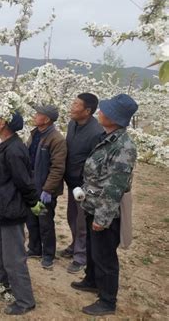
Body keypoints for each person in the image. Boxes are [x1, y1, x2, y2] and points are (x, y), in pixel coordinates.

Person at [71, 94, 138, 316]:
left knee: (105, 256)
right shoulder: (106, 138)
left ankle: (107, 300)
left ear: (114, 117)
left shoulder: (123, 147)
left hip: (106, 210)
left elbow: (114, 187)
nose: (100, 112)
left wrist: (102, 218)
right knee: (92, 248)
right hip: (92, 203)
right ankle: (91, 279)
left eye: (104, 111)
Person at [0, 112, 38, 315]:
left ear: (5, 124)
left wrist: (34, 202)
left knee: (14, 257)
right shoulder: (8, 146)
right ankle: (2, 284)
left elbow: (24, 181)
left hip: (11, 210)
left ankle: (25, 300)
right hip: (3, 209)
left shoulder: (14, 150)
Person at [62, 93, 104, 274]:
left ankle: (81, 256)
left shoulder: (96, 132)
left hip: (85, 185)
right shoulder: (73, 124)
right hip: (72, 181)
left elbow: (96, 162)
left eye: (76, 104)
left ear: (87, 111)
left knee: (81, 221)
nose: (72, 107)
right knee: (72, 217)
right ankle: (74, 245)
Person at [26, 105, 67, 269]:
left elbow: (57, 168)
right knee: (31, 219)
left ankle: (48, 254)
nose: (35, 116)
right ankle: (34, 248)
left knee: (45, 222)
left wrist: (48, 189)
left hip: (43, 189)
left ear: (47, 119)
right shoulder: (35, 134)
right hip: (32, 185)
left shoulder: (56, 139)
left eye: (38, 114)